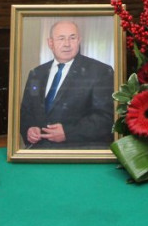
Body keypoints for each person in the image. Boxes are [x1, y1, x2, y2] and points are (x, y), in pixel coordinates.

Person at [19, 19, 114, 148]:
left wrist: (68, 133)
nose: (67, 44)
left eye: (72, 38)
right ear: (50, 43)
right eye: (61, 38)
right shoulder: (36, 73)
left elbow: (106, 118)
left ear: (79, 40)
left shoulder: (100, 71)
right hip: (39, 151)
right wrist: (29, 129)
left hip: (78, 152)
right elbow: (26, 111)